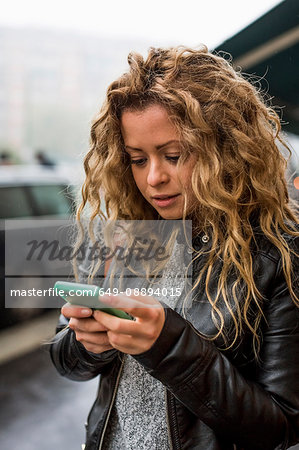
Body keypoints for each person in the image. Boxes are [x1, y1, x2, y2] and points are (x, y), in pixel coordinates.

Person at [49, 46, 299, 450]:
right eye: (137, 159)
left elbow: (281, 428)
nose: (154, 178)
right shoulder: (127, 238)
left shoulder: (279, 254)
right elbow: (66, 363)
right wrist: (85, 343)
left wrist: (167, 344)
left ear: (227, 148)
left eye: (173, 155)